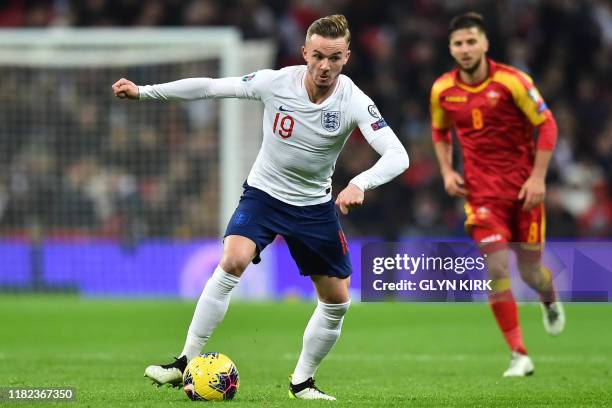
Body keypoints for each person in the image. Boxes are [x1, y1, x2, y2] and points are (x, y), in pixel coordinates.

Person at [113, 14, 409, 400]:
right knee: (233, 259)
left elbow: (397, 155)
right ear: (304, 52)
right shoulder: (276, 82)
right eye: (317, 55)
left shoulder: (354, 100)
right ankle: (184, 361)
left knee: (336, 302)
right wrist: (146, 91)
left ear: (347, 57)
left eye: (334, 58)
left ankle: (302, 383)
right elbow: (211, 87)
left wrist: (359, 182)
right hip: (264, 195)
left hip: (314, 207)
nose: (324, 66)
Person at [430, 12, 565, 377]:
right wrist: (446, 170)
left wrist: (538, 178)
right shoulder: (443, 89)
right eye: (458, 43)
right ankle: (519, 354)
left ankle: (548, 297)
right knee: (497, 268)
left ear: (485, 43)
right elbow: (440, 132)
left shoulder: (513, 81)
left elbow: (547, 124)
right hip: (482, 197)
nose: (465, 49)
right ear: (450, 48)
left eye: (471, 41)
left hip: (525, 193)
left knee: (531, 270)